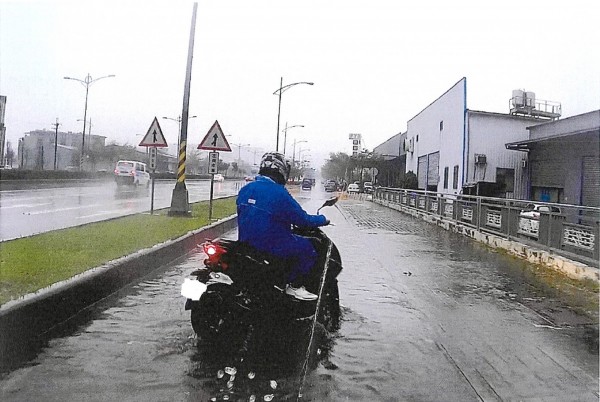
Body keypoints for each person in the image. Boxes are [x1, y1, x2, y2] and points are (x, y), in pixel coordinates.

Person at [236, 152, 329, 301]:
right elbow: (302, 219)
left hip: (245, 245)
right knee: (309, 249)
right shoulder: (280, 193)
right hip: (272, 246)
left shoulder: (246, 189)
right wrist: (322, 219)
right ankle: (294, 286)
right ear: (281, 170)